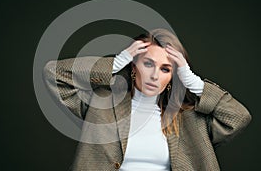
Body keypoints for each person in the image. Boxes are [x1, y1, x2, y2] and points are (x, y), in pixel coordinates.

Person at [43, 28, 252, 171]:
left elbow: (238, 117)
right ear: (134, 67)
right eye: (148, 64)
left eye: (165, 69)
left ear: (173, 76)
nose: (154, 76)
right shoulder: (102, 103)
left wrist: (192, 81)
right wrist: (115, 63)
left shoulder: (189, 118)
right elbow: (53, 73)